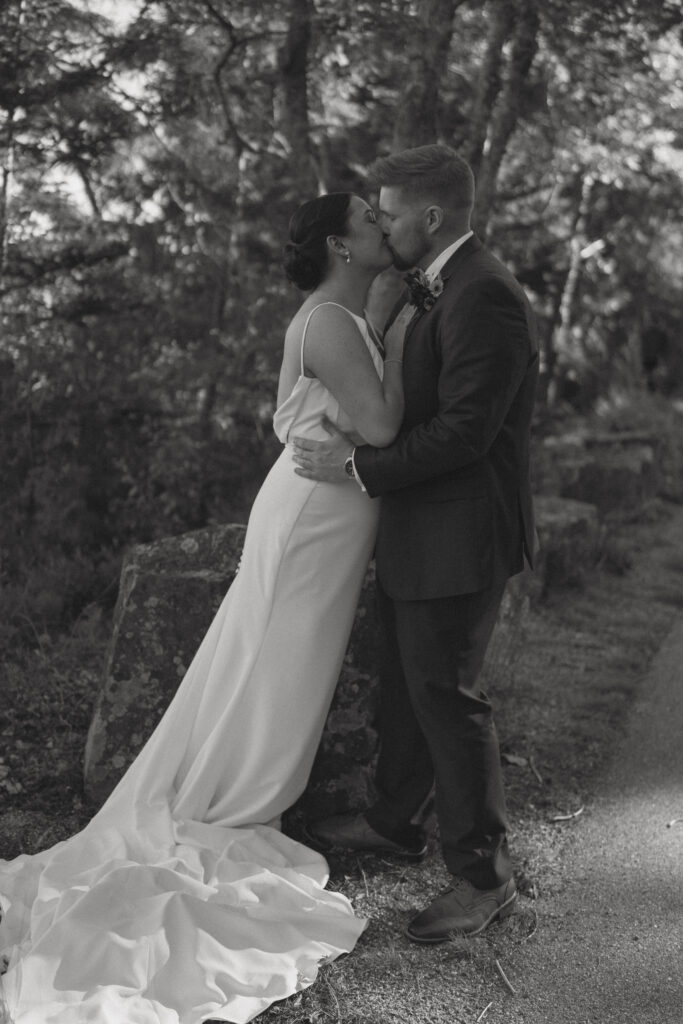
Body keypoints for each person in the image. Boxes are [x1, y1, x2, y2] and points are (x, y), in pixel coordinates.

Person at [0, 192, 406, 1023]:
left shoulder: (335, 312)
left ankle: (230, 789)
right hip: (312, 522)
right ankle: (230, 802)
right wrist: (395, 329)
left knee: (270, 667)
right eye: (369, 216)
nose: (382, 224)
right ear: (342, 242)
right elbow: (382, 423)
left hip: (320, 515)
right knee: (271, 670)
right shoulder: (332, 318)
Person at [293, 145, 539, 943]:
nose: (382, 223)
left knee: (449, 699)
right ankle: (393, 822)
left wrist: (358, 466)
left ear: (428, 218)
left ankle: (481, 877)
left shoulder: (485, 295)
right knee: (406, 685)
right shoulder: (435, 288)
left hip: (461, 532)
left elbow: (467, 433)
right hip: (418, 527)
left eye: (389, 211)